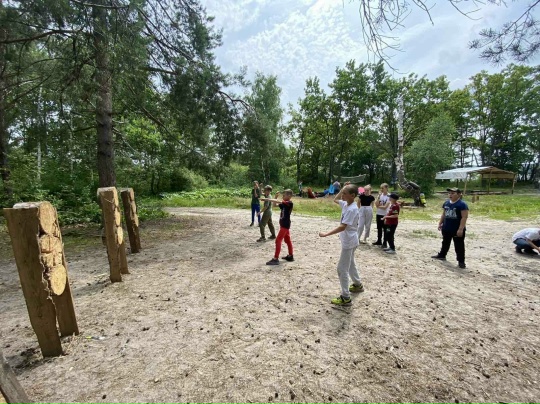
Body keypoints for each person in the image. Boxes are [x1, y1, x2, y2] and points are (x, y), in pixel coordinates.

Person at [319, 182, 363, 306]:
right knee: (351, 263)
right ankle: (357, 284)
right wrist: (343, 188)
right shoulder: (346, 203)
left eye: (345, 193)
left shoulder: (352, 209)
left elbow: (343, 227)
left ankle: (345, 297)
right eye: (342, 193)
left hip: (349, 241)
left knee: (342, 269)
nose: (342, 195)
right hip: (350, 240)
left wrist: (326, 234)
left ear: (352, 195)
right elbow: (335, 199)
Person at [431, 187, 469, 268]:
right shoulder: (446, 203)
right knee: (445, 242)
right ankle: (442, 255)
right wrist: (440, 223)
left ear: (459, 194)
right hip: (447, 227)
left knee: (459, 245)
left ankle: (461, 261)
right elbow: (444, 214)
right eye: (449, 193)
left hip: (456, 228)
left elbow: (464, 217)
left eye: (453, 193)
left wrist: (460, 229)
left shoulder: (462, 204)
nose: (450, 195)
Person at [261, 189, 294, 265]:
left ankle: (275, 259)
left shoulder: (289, 203)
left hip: (285, 225)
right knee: (287, 240)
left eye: (284, 195)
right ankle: (290, 256)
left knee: (278, 240)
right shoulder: (284, 204)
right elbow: (274, 205)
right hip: (284, 224)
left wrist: (267, 199)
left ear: (289, 196)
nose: (283, 196)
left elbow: (279, 202)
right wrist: (275, 197)